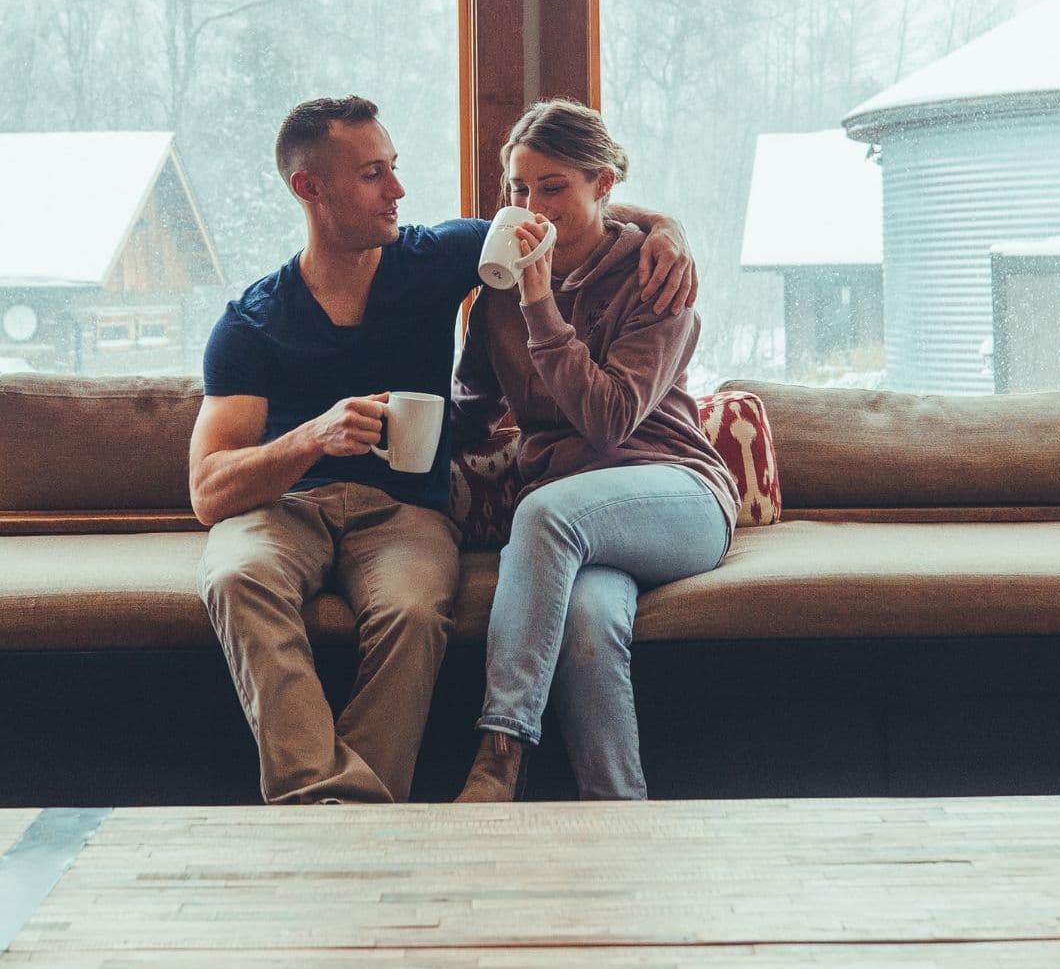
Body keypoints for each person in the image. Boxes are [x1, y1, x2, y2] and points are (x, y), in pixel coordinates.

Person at [190, 95, 694, 804]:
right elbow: (209, 490)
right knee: (237, 578)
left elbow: (559, 212)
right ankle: (336, 806)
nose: (398, 189)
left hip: (401, 512)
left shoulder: (436, 259)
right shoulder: (251, 322)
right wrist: (314, 435)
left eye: (393, 169)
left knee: (415, 610)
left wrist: (667, 228)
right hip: (285, 506)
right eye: (372, 175)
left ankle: (354, 809)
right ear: (310, 188)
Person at [451, 98, 740, 803]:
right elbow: (474, 410)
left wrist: (540, 306)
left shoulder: (655, 275)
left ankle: (499, 756)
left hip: (674, 495)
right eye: (519, 189)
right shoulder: (497, 295)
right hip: (581, 523)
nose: (532, 206)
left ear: (603, 185)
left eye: (554, 187)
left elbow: (609, 420)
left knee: (547, 513)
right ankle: (618, 815)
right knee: (585, 621)